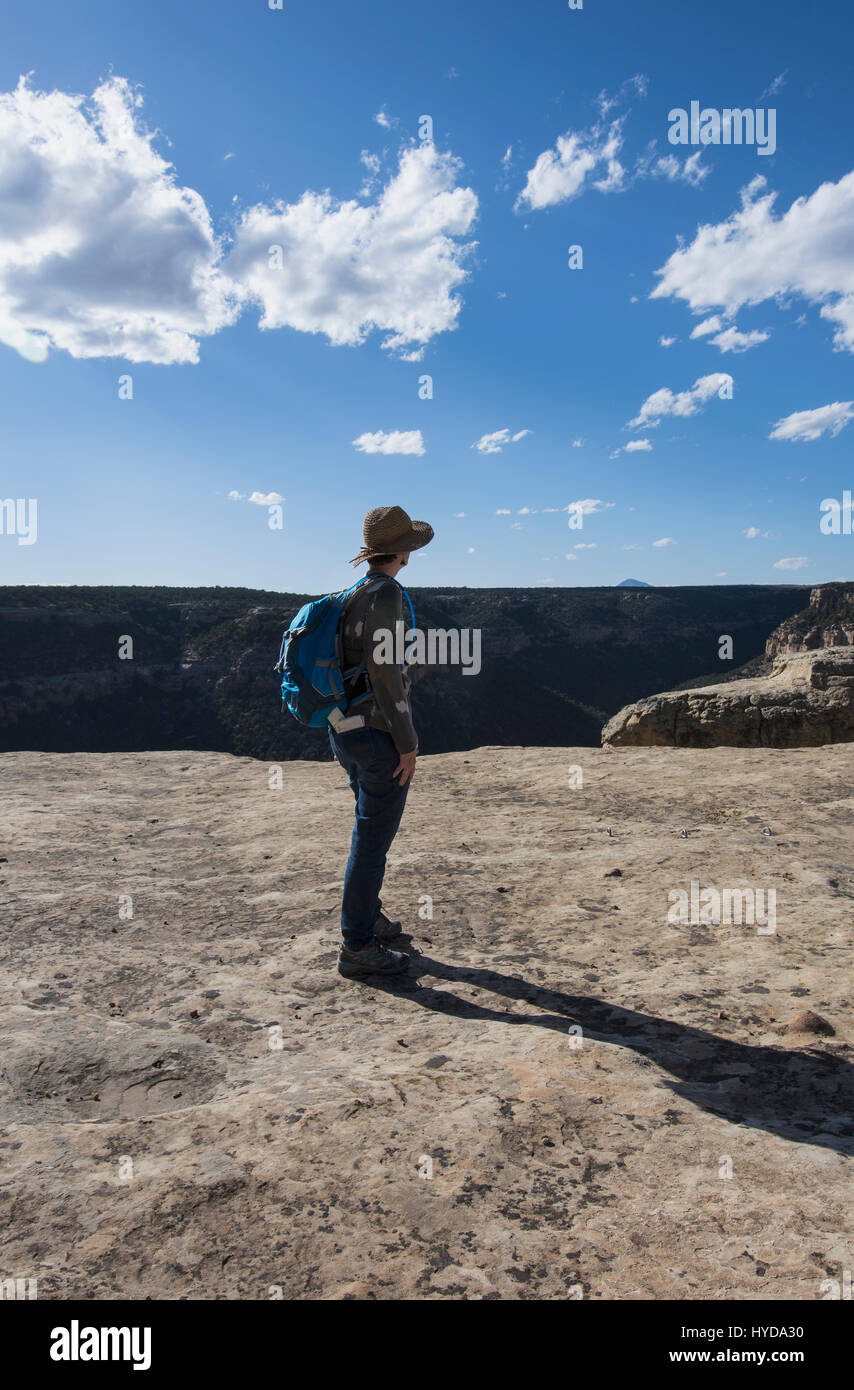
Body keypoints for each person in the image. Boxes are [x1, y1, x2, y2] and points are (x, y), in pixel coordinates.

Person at [331, 505, 434, 979]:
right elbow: (387, 673)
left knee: (367, 829)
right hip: (378, 735)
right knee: (371, 842)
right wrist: (407, 743)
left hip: (345, 731)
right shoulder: (388, 595)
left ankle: (368, 918)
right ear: (405, 553)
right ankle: (357, 945)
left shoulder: (353, 592)